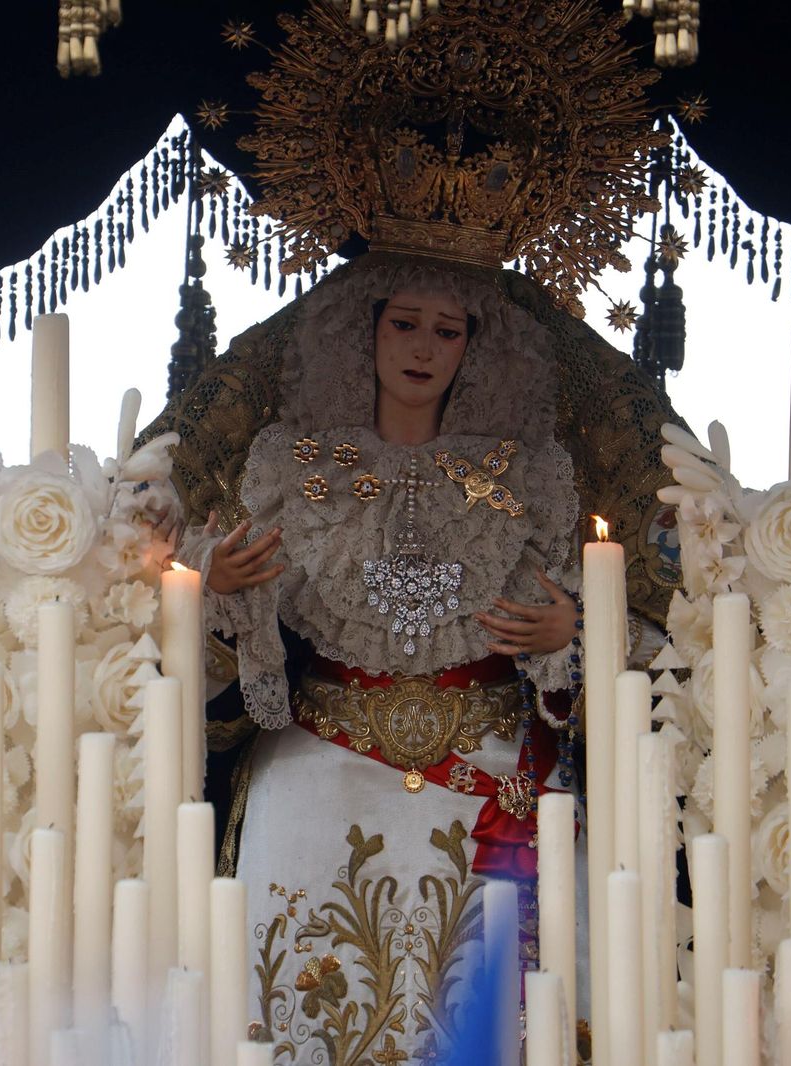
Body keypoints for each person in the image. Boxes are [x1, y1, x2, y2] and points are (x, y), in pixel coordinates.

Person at [154, 253, 677, 1063]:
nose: (423, 348)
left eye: (448, 330)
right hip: (321, 755)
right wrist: (214, 583)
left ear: (477, 347)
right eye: (404, 323)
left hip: (489, 767)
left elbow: (612, 623)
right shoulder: (291, 462)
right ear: (361, 333)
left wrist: (569, 635)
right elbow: (201, 598)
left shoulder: (529, 475)